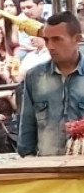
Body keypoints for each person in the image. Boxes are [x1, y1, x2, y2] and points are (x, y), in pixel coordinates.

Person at [18, 12, 84, 156]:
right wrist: (28, 159)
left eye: (57, 39)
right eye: (46, 40)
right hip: (48, 165)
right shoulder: (34, 76)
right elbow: (27, 127)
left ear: (77, 39)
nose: (50, 46)